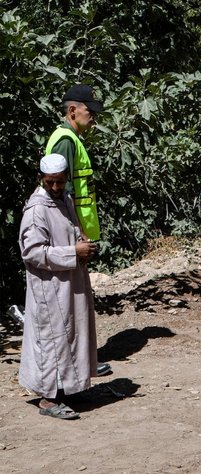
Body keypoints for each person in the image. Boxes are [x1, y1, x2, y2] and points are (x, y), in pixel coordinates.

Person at [18, 154, 100, 420]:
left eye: (60, 182)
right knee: (52, 340)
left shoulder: (64, 200)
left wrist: (83, 244)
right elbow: (32, 253)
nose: (55, 187)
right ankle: (47, 398)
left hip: (69, 283)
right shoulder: (36, 210)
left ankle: (69, 388)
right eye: (51, 183)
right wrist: (72, 252)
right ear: (41, 178)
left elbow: (71, 229)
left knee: (72, 335)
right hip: (49, 287)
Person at [45, 84, 104, 242]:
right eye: (89, 111)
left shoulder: (72, 138)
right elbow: (61, 191)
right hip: (71, 234)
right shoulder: (66, 141)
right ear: (72, 111)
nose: (93, 117)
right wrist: (78, 232)